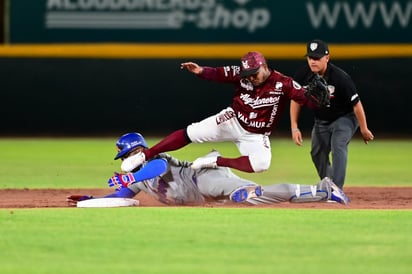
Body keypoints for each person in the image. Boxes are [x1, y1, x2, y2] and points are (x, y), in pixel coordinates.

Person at [121, 51, 324, 174]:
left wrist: (318, 100)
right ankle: (145, 155)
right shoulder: (242, 74)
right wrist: (201, 71)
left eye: (254, 73)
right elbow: (219, 73)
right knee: (191, 132)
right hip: (232, 120)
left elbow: (307, 100)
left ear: (264, 66)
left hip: (256, 134)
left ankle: (214, 161)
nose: (250, 78)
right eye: (247, 74)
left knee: (262, 164)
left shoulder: (283, 82)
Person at [67, 132, 350, 206]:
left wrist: (130, 174)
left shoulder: (154, 161)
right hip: (203, 195)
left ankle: (322, 190)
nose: (126, 159)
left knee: (249, 196)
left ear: (138, 150)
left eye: (127, 155)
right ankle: (321, 190)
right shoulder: (139, 180)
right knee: (246, 199)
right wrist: (93, 201)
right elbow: (120, 195)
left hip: (206, 179)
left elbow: (158, 166)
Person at [290, 39, 374, 189]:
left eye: (317, 58)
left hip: (345, 118)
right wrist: (294, 127)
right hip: (321, 120)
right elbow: (296, 100)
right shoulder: (303, 74)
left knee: (338, 146)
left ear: (327, 58)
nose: (313, 61)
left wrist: (364, 129)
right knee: (317, 153)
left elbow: (356, 104)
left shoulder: (340, 77)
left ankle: (337, 189)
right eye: (310, 58)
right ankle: (329, 186)